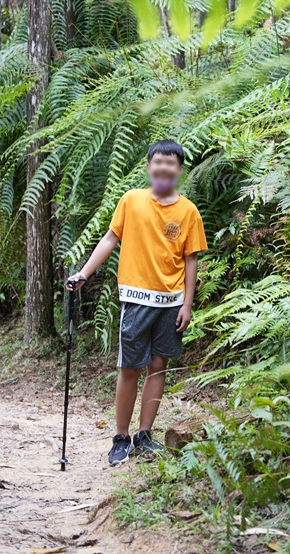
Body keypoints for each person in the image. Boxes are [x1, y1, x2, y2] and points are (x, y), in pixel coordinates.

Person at [66, 139, 207, 466]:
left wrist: (187, 304)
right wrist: (84, 274)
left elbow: (190, 261)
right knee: (129, 368)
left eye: (171, 163)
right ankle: (120, 438)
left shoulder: (188, 211)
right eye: (158, 162)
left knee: (158, 367)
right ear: (148, 166)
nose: (164, 167)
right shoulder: (131, 200)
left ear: (179, 170)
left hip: (171, 302)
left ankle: (144, 435)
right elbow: (110, 239)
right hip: (136, 299)